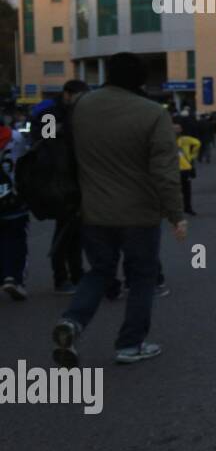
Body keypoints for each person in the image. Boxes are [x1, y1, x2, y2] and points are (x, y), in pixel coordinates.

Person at [51, 52, 187, 366]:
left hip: (94, 210)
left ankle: (73, 321)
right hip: (140, 213)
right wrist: (176, 215)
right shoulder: (153, 113)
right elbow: (165, 172)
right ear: (140, 79)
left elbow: (63, 147)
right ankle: (130, 344)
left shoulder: (81, 105)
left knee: (98, 271)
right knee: (141, 277)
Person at [47, 79, 89, 293]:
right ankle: (61, 277)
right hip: (60, 180)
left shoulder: (75, 112)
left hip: (75, 177)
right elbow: (46, 142)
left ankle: (77, 273)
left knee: (76, 231)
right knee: (64, 230)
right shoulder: (51, 113)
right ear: (67, 94)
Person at [0, 120, 31, 300]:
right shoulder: (15, 137)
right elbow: (25, 158)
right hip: (12, 197)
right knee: (16, 239)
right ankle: (14, 278)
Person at [174, 120, 200, 216]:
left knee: (175, 190)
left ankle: (175, 210)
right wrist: (192, 156)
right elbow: (197, 143)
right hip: (185, 168)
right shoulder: (185, 139)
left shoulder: (167, 140)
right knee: (186, 190)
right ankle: (187, 208)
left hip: (175, 169)